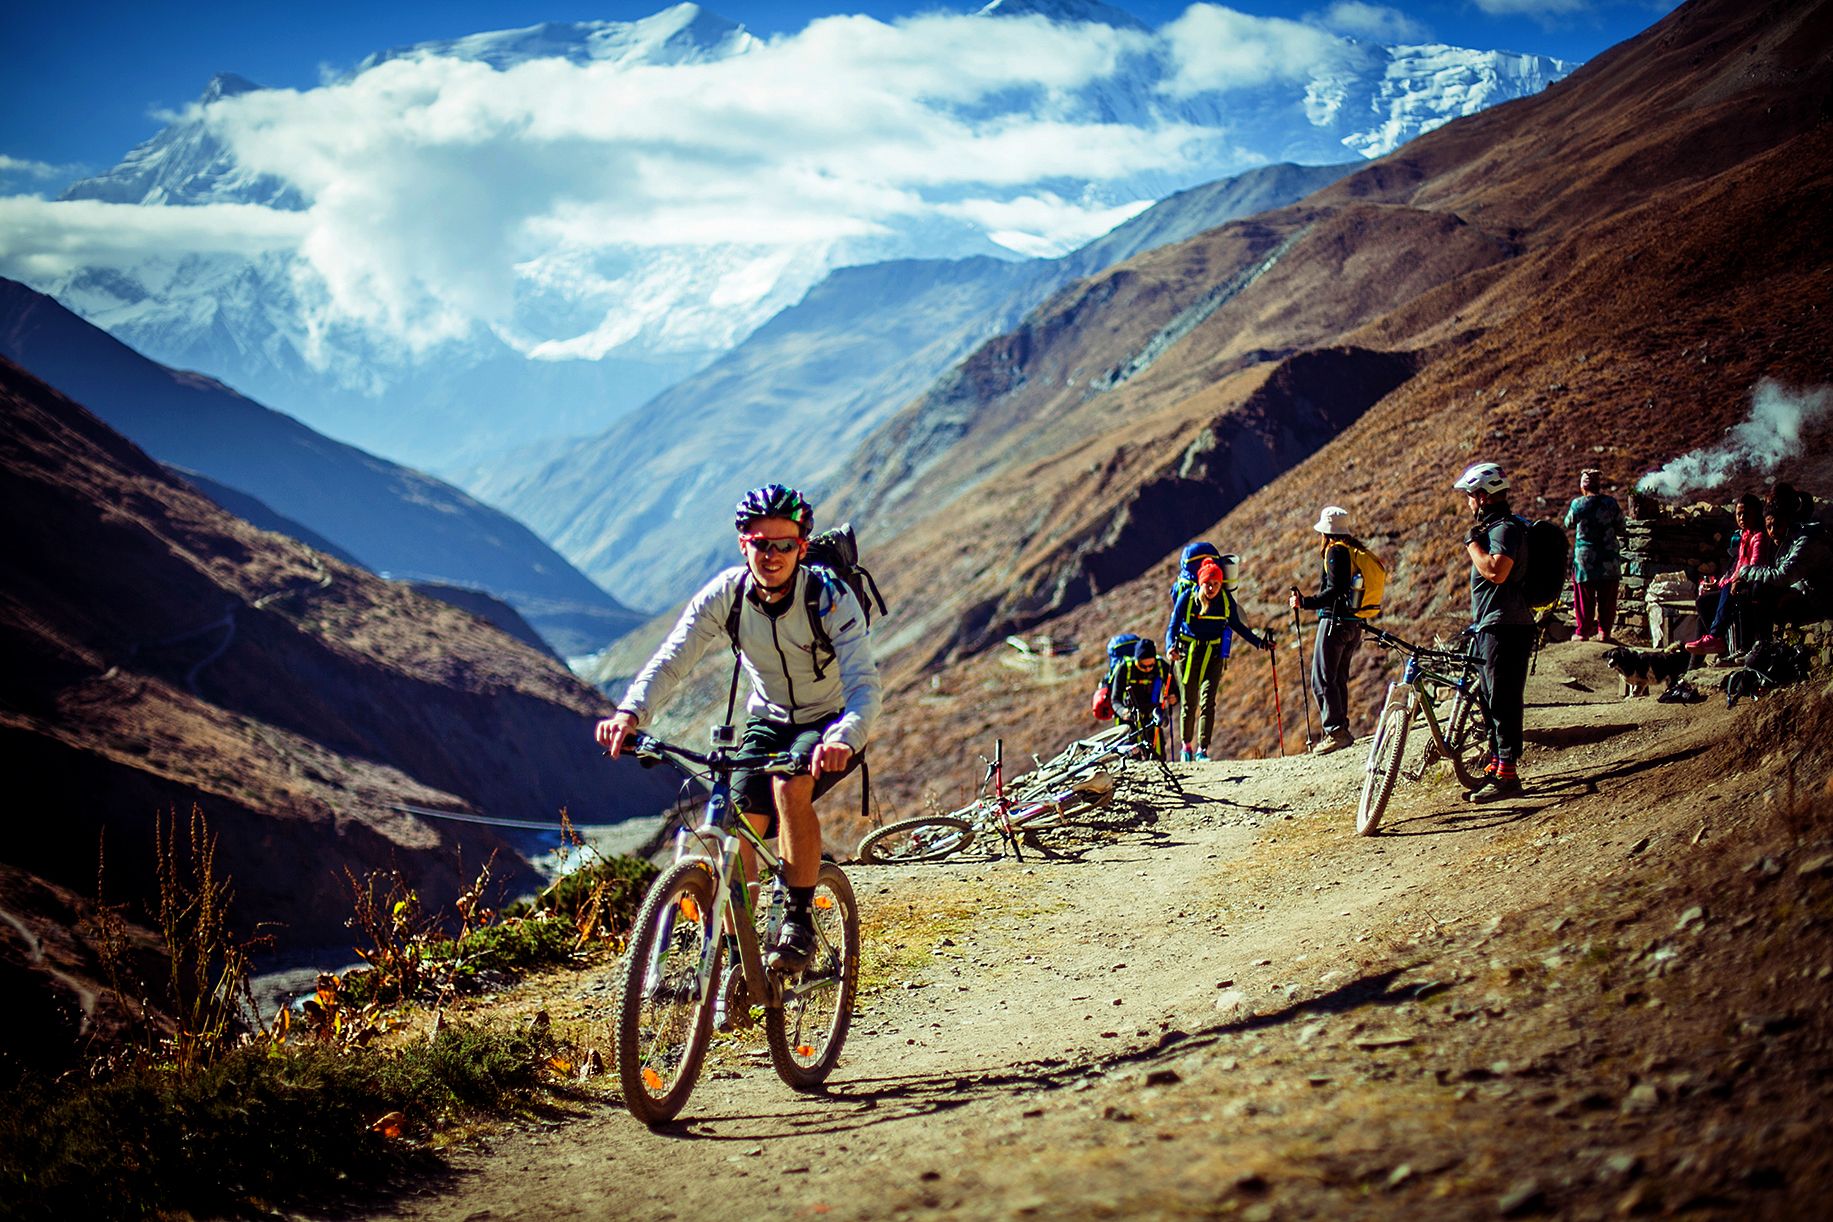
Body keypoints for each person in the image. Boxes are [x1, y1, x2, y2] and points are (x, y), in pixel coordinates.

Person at [594, 484, 881, 973]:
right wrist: (630, 713)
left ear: (802, 547)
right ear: (742, 544)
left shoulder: (829, 599)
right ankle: (739, 953)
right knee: (735, 824)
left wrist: (843, 738)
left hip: (830, 721)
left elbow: (864, 685)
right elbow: (672, 659)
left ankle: (798, 920)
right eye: (760, 543)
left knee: (790, 788)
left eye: (784, 544)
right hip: (768, 720)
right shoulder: (726, 595)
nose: (772, 555)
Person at [1455, 462, 1533, 799]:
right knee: (1490, 699)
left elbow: (1497, 572)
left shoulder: (1503, 530)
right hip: (1493, 625)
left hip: (1505, 626)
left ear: (1483, 497)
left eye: (1471, 496)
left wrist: (1473, 545)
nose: (1469, 502)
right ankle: (1497, 767)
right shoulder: (1501, 528)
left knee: (1502, 700)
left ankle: (1508, 776)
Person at [1165, 555, 1271, 761]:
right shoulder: (1187, 598)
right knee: (1189, 702)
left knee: (1208, 702)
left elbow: (1238, 626)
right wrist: (1170, 647)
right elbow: (1173, 626)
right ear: (1200, 582)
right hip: (1188, 655)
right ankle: (1186, 746)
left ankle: (1202, 750)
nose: (1212, 588)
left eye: (1216, 583)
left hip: (1213, 655)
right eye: (1208, 583)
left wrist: (1259, 643)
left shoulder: (1224, 600)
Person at [1287, 506, 1366, 755]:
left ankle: (1336, 731)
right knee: (1338, 676)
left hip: (1334, 622)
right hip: (1353, 623)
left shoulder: (1334, 552)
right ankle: (1341, 727)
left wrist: (1305, 602)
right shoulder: (1353, 550)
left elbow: (1334, 590)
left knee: (1321, 678)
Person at [1684, 494, 1773, 656]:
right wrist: (1719, 583)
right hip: (1739, 582)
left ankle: (1715, 637)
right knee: (1704, 601)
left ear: (1756, 514)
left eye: (1746, 514)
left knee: (1728, 590)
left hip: (1753, 584)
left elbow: (1755, 565)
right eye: (1739, 514)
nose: (1741, 518)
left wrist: (1733, 582)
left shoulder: (1759, 536)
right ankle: (1720, 642)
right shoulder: (1745, 535)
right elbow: (1738, 565)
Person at [1734, 487, 1833, 629]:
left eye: (1778, 525)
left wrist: (1745, 571)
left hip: (1820, 601)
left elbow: (1783, 576)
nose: (1772, 531)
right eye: (1769, 526)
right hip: (1805, 593)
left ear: (1788, 521)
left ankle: (1764, 644)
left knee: (1760, 589)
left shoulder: (1807, 540)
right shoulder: (1787, 539)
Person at [1564, 468, 1623, 641]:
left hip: (1585, 559)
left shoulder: (1578, 504)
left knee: (1584, 597)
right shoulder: (1611, 503)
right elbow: (1621, 526)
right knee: (1607, 597)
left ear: (1583, 486)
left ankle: (1583, 632)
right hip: (1609, 557)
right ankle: (1604, 632)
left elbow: (1568, 523)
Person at [1106, 638, 1169, 759]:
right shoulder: (1124, 669)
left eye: (1151, 665)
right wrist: (1122, 712)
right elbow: (1115, 699)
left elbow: (1174, 691)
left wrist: (1173, 697)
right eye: (1142, 666)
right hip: (1130, 720)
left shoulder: (1161, 666)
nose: (1147, 669)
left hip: (1152, 718)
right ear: (1136, 660)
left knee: (1158, 756)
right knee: (1132, 759)